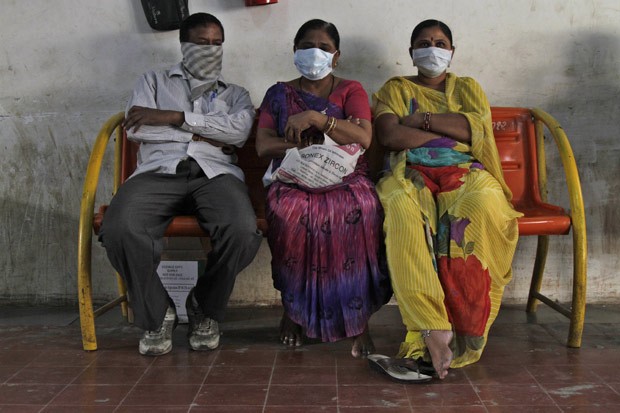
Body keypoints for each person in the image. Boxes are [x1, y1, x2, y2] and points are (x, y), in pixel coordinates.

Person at [99, 13, 262, 356]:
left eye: (217, 43)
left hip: (215, 175)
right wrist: (209, 130)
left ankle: (204, 305)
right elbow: (138, 128)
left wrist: (174, 117)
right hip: (158, 172)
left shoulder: (236, 94)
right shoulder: (154, 81)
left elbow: (239, 132)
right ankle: (157, 314)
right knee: (119, 227)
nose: (211, 49)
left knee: (243, 230)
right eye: (202, 43)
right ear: (184, 45)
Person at [372, 19, 522, 378]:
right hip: (408, 170)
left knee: (479, 206)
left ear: (452, 52)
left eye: (440, 42)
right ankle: (431, 328)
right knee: (402, 209)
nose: (432, 48)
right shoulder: (394, 88)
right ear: (411, 53)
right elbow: (390, 136)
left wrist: (420, 119)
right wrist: (444, 133)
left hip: (465, 171)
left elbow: (476, 132)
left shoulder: (468, 87)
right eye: (423, 42)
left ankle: (467, 327)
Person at [255, 19, 391, 358]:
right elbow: (262, 146)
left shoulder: (351, 90)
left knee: (361, 209)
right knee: (290, 214)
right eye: (305, 47)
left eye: (324, 48)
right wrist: (301, 147)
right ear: (294, 52)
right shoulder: (278, 93)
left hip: (346, 179)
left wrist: (318, 120)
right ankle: (294, 311)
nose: (314, 53)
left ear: (337, 55)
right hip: (294, 179)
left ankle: (359, 321)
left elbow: (363, 137)